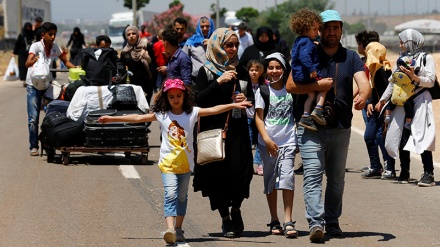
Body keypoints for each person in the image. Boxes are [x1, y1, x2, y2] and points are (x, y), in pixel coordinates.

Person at [97, 78, 252, 244]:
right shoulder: (163, 115)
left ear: (184, 96)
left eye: (179, 95)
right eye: (171, 97)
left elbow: (213, 110)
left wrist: (233, 106)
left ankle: (178, 229)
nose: (176, 99)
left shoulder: (191, 112)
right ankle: (170, 229)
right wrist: (111, 119)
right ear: (166, 98)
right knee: (170, 194)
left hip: (186, 165)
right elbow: (137, 118)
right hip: (168, 164)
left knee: (181, 197)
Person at [286, 10, 370, 242]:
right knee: (312, 174)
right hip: (310, 126)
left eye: (336, 27)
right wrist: (319, 84)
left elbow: (364, 83)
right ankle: (316, 223)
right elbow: (291, 86)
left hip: (340, 125)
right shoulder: (309, 50)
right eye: (327, 27)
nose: (331, 31)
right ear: (319, 29)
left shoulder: (351, 57)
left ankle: (332, 222)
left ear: (341, 29)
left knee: (335, 179)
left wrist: (363, 95)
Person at [193, 28, 254, 238]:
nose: (233, 49)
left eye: (236, 45)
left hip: (238, 132)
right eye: (229, 45)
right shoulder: (207, 71)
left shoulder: (243, 70)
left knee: (241, 173)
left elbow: (251, 99)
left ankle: (236, 208)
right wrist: (219, 82)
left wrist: (243, 101)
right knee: (217, 176)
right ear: (218, 46)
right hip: (214, 131)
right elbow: (198, 100)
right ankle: (225, 218)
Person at [376, 29, 436, 187]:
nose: (400, 45)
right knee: (402, 135)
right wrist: (382, 100)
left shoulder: (426, 58)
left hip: (421, 100)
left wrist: (414, 77)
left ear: (411, 42)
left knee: (422, 136)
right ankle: (405, 172)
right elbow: (393, 81)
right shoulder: (401, 59)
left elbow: (430, 81)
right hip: (403, 101)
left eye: (402, 42)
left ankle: (428, 173)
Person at [254, 52, 298, 238]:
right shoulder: (262, 91)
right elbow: (258, 118)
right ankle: (274, 219)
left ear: (284, 69)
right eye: (271, 68)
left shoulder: (292, 90)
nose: (274, 71)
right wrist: (267, 139)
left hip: (287, 141)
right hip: (267, 144)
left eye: (278, 67)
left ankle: (288, 220)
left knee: (287, 180)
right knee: (270, 181)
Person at [25, 22, 75, 156]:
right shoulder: (36, 46)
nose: (53, 37)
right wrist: (34, 60)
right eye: (50, 34)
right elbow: (27, 63)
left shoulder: (55, 48)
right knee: (33, 119)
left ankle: (49, 142)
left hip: (47, 86)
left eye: (54, 34)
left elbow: (65, 61)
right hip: (33, 86)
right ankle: (33, 146)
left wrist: (76, 68)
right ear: (43, 35)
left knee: (51, 114)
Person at [353, 30, 395, 179]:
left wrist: (382, 105)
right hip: (372, 106)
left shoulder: (384, 69)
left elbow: (388, 90)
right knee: (371, 136)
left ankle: (389, 167)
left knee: (380, 136)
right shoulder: (371, 69)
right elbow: (368, 86)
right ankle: (376, 166)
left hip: (382, 108)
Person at [290, 8, 325, 132]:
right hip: (305, 74)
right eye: (314, 29)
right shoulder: (307, 42)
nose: (317, 32)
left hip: (298, 74)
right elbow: (304, 56)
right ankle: (318, 109)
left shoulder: (300, 40)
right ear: (305, 29)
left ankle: (305, 116)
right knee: (325, 86)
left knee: (310, 95)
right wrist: (312, 70)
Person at [120, 25, 154, 104]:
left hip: (147, 82)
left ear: (137, 35)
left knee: (146, 105)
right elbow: (121, 65)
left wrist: (147, 58)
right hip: (133, 83)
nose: (131, 36)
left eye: (133, 33)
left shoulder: (146, 47)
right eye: (128, 35)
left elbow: (154, 65)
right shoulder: (125, 52)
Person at [246, 60, 265, 175]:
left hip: (259, 115)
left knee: (260, 139)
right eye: (251, 70)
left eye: (256, 70)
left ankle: (260, 164)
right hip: (247, 115)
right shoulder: (244, 84)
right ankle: (248, 164)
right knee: (248, 139)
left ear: (261, 72)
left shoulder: (264, 84)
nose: (254, 72)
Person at [183, 16, 215, 84]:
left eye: (207, 26)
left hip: (214, 78)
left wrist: (212, 44)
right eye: (202, 26)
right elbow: (184, 60)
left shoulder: (217, 41)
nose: (205, 29)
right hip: (196, 79)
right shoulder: (191, 42)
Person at [13, 22, 34, 87]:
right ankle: (24, 80)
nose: (28, 29)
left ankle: (30, 80)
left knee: (30, 67)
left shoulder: (33, 35)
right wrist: (14, 52)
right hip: (22, 53)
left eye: (29, 27)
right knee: (22, 67)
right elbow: (17, 44)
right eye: (27, 27)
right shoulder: (21, 35)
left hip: (31, 53)